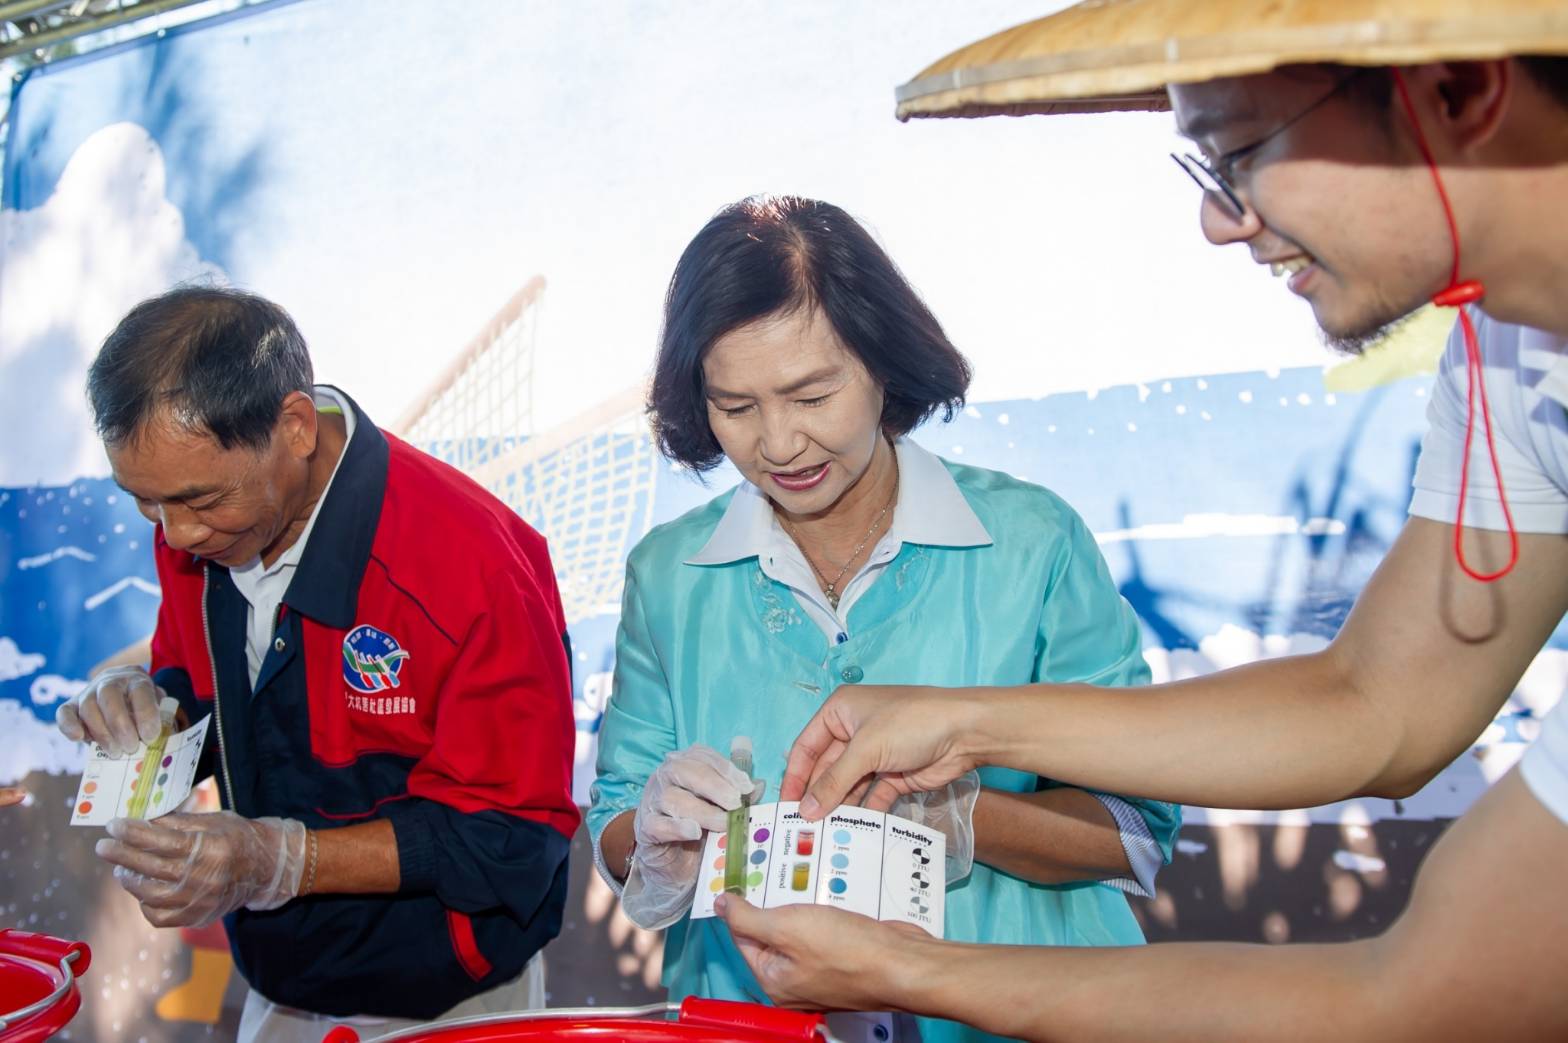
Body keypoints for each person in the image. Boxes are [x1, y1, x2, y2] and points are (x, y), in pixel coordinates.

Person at [714, 4, 1568, 1039]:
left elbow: (1429, 995)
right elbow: (1377, 702)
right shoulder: (1507, 352)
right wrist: (967, 717)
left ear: (1457, 91)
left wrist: (910, 965)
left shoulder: (1030, 531)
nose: (1218, 221)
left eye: (1239, 154)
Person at [587, 195, 1179, 1043]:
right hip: (756, 1018)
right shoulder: (668, 575)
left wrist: (961, 818)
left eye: (812, 393)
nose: (779, 442)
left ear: (883, 363)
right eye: (736, 406)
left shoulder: (1030, 540)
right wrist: (656, 830)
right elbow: (615, 826)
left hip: (1025, 1012)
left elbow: (1136, 833)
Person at [56, 286, 579, 1042]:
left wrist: (280, 859)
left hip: (450, 1000)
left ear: (295, 427)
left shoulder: (474, 568)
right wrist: (147, 710)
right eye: (145, 503)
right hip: (278, 981)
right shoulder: (196, 529)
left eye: (197, 500)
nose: (172, 533)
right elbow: (203, 694)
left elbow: (510, 837)